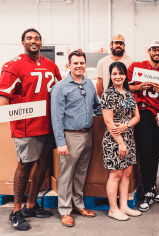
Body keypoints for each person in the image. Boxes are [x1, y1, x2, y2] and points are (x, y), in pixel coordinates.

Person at [0, 28, 62, 231]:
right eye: (29, 38)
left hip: (48, 124)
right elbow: (4, 98)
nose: (33, 41)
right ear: (23, 42)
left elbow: (59, 92)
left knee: (43, 164)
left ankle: (31, 205)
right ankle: (16, 211)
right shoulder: (13, 65)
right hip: (27, 126)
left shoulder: (51, 65)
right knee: (24, 166)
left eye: (36, 38)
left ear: (41, 42)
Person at [50, 50, 101, 226]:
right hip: (70, 136)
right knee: (66, 175)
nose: (79, 66)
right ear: (69, 66)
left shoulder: (88, 84)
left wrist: (112, 116)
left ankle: (78, 204)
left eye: (82, 63)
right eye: (75, 63)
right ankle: (65, 210)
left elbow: (97, 106)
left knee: (80, 173)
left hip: (87, 135)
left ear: (85, 65)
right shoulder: (60, 88)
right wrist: (61, 143)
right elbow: (56, 118)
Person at [127, 40, 159, 212]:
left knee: (155, 153)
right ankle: (147, 191)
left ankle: (151, 186)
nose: (157, 53)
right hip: (144, 113)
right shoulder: (137, 66)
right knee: (145, 153)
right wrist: (139, 86)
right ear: (149, 51)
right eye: (154, 49)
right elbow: (124, 86)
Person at [102, 62, 141, 220]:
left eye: (121, 73)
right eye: (114, 74)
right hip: (114, 139)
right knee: (116, 174)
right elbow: (108, 122)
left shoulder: (128, 93)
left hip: (128, 136)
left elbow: (137, 116)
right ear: (110, 76)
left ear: (126, 75)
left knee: (127, 172)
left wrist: (126, 125)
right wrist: (120, 143)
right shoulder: (108, 94)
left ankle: (124, 206)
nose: (118, 76)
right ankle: (113, 209)